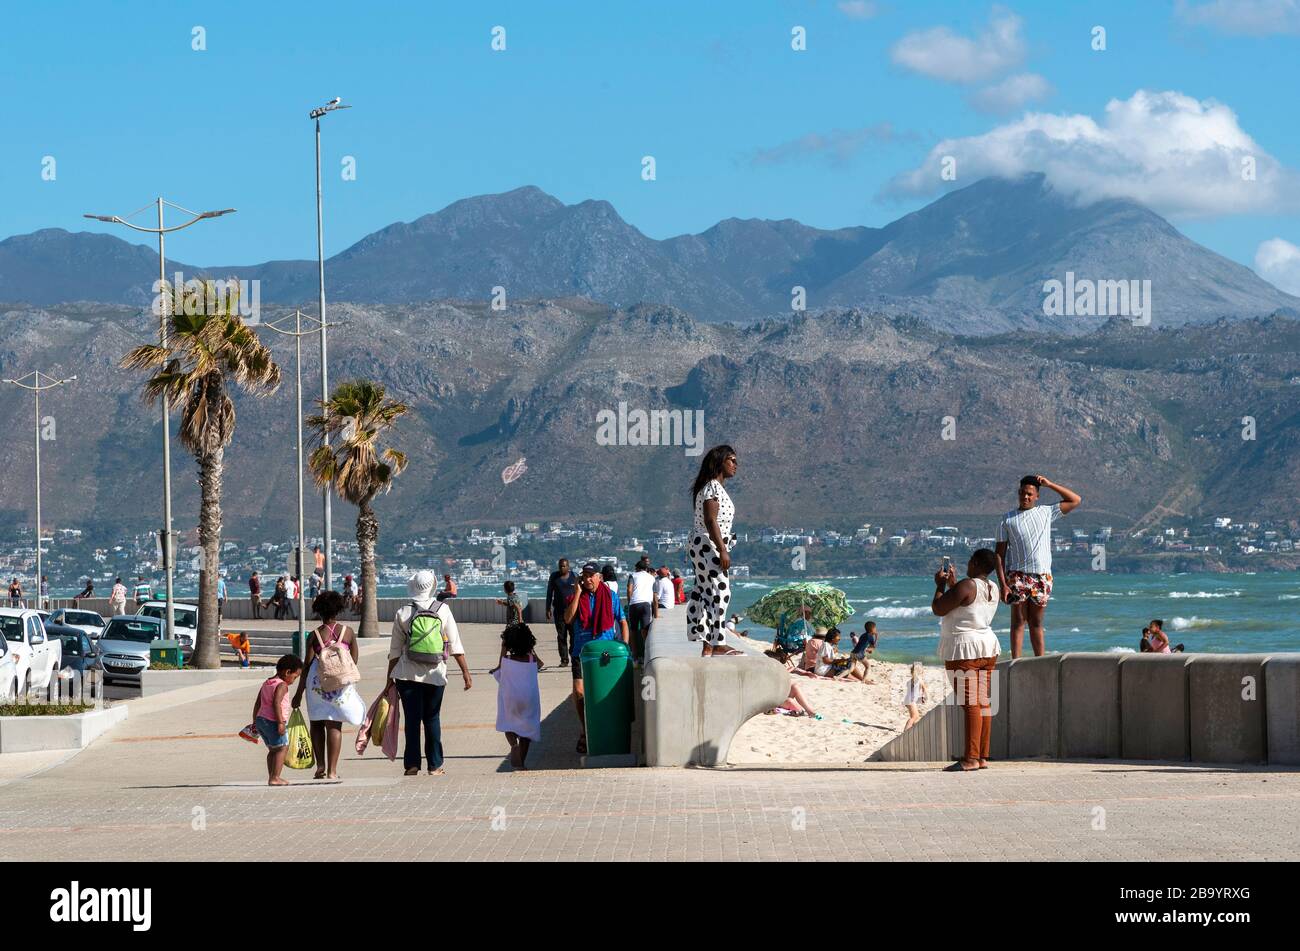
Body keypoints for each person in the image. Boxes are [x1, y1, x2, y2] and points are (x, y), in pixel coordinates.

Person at [386, 571, 473, 776]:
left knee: (412, 721)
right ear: (433, 586)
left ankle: (412, 765)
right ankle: (435, 765)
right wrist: (466, 673)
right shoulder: (442, 610)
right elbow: (455, 645)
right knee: (432, 718)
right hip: (436, 674)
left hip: (407, 676)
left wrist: (389, 679)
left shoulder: (403, 612)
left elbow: (395, 652)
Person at [994, 474, 1081, 658]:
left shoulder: (1046, 512)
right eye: (1023, 493)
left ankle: (1040, 661)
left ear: (1037, 496)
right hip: (1017, 575)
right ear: (1019, 493)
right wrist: (1003, 585)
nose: (1026, 497)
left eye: (1030, 494)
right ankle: (1015, 662)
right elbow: (999, 555)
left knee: (1036, 622)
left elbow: (1075, 500)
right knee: (1018, 621)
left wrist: (1049, 484)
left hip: (1042, 576)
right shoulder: (1007, 519)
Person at [932, 549, 1003, 772]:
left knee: (971, 703)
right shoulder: (993, 587)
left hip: (964, 650)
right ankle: (981, 756)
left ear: (974, 563)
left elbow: (939, 608)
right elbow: (967, 606)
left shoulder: (968, 584)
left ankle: (970, 758)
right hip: (987, 647)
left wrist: (940, 585)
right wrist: (953, 584)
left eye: (970, 561)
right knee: (983, 702)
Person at [291, 590, 364, 780]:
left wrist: (299, 693)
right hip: (339, 684)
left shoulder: (314, 635)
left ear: (319, 611)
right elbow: (354, 659)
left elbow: (306, 665)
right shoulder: (347, 632)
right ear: (338, 609)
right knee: (334, 724)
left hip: (317, 683)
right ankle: (332, 771)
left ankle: (320, 766)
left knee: (316, 723)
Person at [563, 562, 628, 755]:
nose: (588, 579)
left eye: (592, 575)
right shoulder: (577, 595)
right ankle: (585, 729)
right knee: (579, 692)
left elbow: (622, 621)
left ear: (599, 577)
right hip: (580, 652)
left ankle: (603, 730)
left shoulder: (611, 597)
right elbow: (567, 619)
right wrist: (576, 593)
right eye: (585, 576)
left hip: (605, 651)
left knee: (604, 694)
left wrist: (624, 647)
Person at [687, 444, 742, 656]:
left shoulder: (715, 488)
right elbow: (711, 520)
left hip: (704, 544)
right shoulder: (711, 487)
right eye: (732, 460)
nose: (736, 465)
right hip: (708, 543)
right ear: (720, 462)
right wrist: (722, 550)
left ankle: (707, 643)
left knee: (706, 592)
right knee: (721, 591)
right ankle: (718, 643)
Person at [492, 622, 542, 770]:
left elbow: (498, 670)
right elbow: (540, 664)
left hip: (510, 699)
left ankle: (514, 745)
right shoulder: (532, 661)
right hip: (529, 698)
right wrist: (531, 650)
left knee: (508, 723)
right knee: (527, 730)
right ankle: (521, 762)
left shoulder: (506, 661)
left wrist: (503, 649)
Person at [253, 655, 303, 786]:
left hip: (261, 720)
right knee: (282, 748)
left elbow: (258, 703)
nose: (293, 680)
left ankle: (272, 776)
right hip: (273, 721)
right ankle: (275, 777)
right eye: (295, 677)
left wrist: (255, 721)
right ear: (287, 672)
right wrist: (280, 722)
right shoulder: (282, 685)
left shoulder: (267, 682)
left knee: (273, 750)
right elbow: (276, 703)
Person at [626, 556, 659, 663]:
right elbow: (655, 597)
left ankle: (635, 657)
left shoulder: (633, 575)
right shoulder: (652, 578)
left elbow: (629, 589)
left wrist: (630, 602)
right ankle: (647, 656)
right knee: (646, 631)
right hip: (646, 605)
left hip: (634, 604)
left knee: (633, 631)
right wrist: (657, 614)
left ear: (637, 568)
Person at [545, 558, 578, 666]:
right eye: (560, 566)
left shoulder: (574, 576)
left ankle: (573, 655)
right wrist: (548, 608)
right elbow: (549, 592)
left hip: (573, 612)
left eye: (564, 566)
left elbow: (580, 592)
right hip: (559, 612)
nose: (561, 568)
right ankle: (564, 660)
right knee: (561, 636)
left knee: (574, 635)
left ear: (568, 566)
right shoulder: (554, 577)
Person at [903, 662, 928, 730]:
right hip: (911, 701)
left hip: (908, 700)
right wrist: (925, 697)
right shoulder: (919, 680)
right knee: (914, 717)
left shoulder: (911, 680)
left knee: (916, 717)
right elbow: (924, 689)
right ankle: (906, 730)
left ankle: (912, 729)